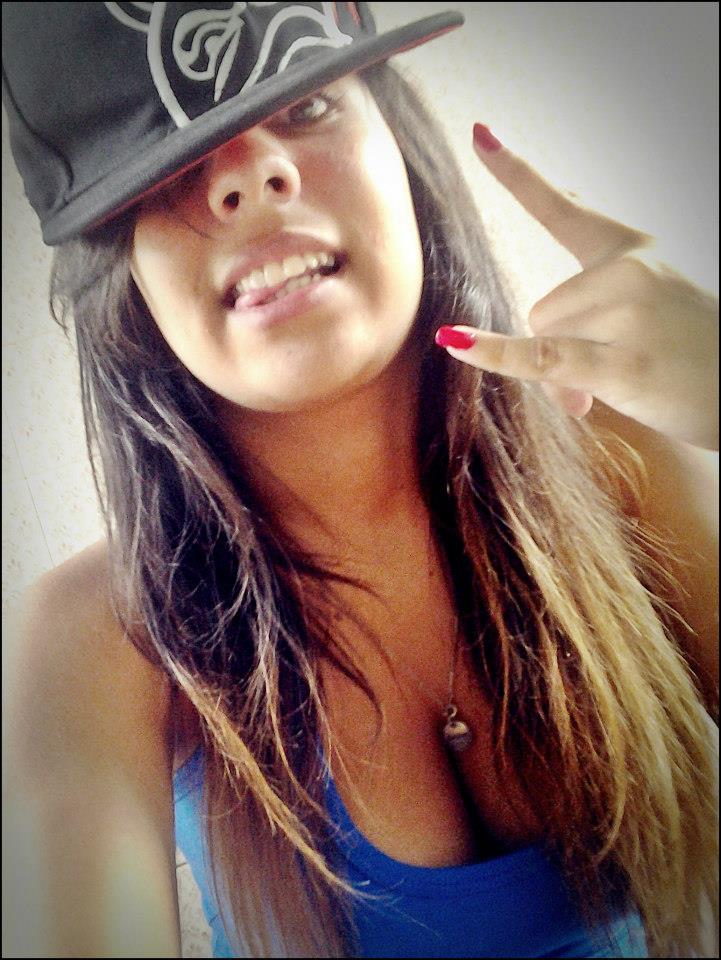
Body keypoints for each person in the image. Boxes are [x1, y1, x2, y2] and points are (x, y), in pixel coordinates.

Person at [2, 2, 718, 957]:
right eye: (167, 168)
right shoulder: (99, 639)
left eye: (304, 107)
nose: (252, 173)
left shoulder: (619, 459)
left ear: (401, 146)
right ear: (120, 277)